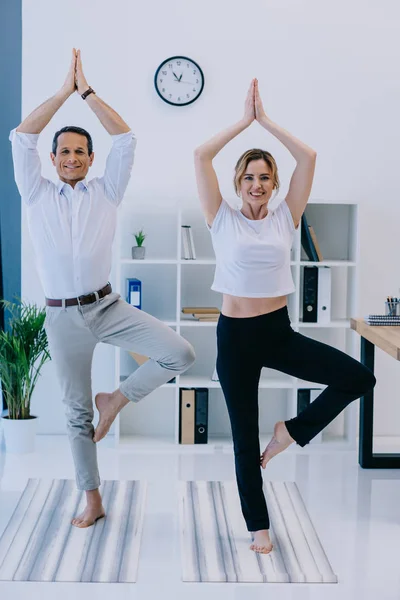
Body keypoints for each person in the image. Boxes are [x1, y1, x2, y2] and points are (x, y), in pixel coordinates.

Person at [10, 49, 195, 528]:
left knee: (180, 353)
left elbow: (127, 139)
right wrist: (61, 94)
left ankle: (116, 400)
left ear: (91, 159)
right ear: (52, 160)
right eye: (64, 151)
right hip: (63, 317)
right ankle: (91, 498)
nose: (72, 157)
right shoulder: (35, 193)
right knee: (76, 414)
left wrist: (86, 93)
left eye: (80, 151)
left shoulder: (107, 190)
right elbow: (21, 135)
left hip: (108, 306)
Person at [194, 79, 376, 554]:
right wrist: (243, 123)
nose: (258, 185)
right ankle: (259, 526)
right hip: (234, 337)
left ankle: (290, 433)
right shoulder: (221, 218)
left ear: (275, 184)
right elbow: (199, 157)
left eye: (266, 177)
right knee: (241, 439)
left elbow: (309, 158)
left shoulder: (285, 217)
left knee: (357, 378)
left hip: (278, 332)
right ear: (238, 183)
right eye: (249, 177)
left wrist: (267, 121)